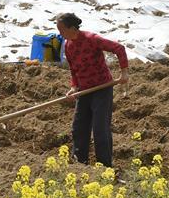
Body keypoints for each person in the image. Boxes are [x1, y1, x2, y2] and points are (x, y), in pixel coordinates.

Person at [55, 12, 129, 167]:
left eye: (61, 29)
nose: (59, 33)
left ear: (73, 28)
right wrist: (73, 87)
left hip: (102, 89)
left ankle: (105, 166)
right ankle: (80, 164)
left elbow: (119, 48)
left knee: (100, 129)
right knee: (79, 127)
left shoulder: (91, 39)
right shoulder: (68, 46)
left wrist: (124, 73)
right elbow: (74, 70)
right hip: (84, 91)